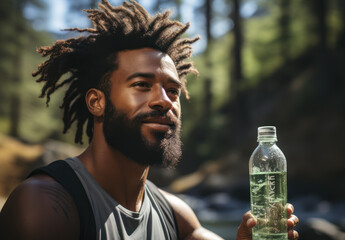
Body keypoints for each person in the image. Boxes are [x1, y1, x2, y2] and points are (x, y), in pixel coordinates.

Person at [0, 0, 299, 239]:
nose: (164, 100)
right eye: (142, 85)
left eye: (173, 90)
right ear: (97, 102)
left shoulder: (177, 218)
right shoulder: (46, 206)